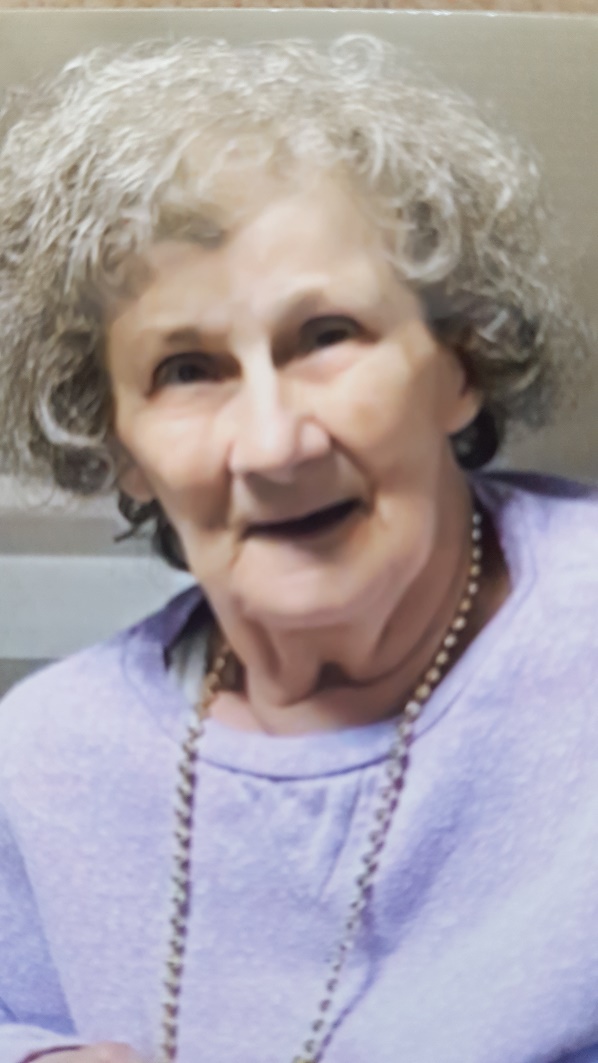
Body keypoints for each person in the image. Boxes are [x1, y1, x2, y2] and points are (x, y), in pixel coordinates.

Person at [0, 31, 597, 1063]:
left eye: (327, 336)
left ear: (461, 365)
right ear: (121, 449)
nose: (275, 445)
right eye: (187, 369)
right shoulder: (43, 756)